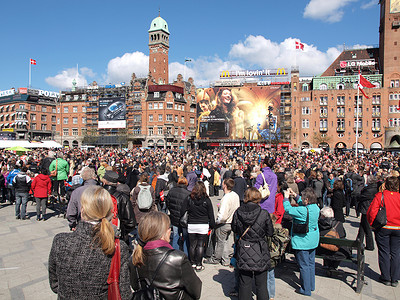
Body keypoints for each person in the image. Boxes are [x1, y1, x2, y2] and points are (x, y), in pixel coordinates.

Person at [48, 186, 132, 299]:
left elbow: (55, 284)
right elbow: (125, 293)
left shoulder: (61, 241)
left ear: (82, 210)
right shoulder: (117, 246)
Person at [130, 211, 202, 300]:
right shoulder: (178, 258)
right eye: (168, 228)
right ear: (161, 233)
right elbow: (196, 290)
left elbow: (135, 285)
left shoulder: (135, 257)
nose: (170, 230)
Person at [231, 187, 274, 300]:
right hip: (260, 249)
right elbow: (270, 232)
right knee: (261, 284)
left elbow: (234, 228)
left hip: (244, 247)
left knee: (244, 283)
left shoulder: (238, 212)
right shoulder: (264, 213)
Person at [283, 187, 320, 296]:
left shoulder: (302, 211)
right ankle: (311, 285)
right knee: (310, 264)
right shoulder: (315, 208)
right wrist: (296, 195)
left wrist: (286, 199)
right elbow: (304, 205)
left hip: (303, 241)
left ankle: (305, 289)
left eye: (304, 198)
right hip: (312, 240)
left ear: (307, 199)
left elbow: (288, 210)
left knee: (303, 265)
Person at [367, 176, 400, 287]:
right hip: (398, 228)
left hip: (384, 227)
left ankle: (386, 276)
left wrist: (372, 224)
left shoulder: (381, 196)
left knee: (384, 252)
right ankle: (395, 278)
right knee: (396, 253)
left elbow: (372, 212)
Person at [181, 181, 215, 272]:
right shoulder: (207, 200)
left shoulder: (189, 198)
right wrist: (212, 224)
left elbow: (182, 211)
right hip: (203, 225)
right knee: (200, 245)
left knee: (192, 245)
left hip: (192, 224)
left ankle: (192, 263)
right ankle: (199, 264)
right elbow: (211, 214)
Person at [205, 178, 240, 266]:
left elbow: (223, 215)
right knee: (227, 241)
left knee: (220, 242)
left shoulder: (226, 198)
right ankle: (226, 259)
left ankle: (216, 258)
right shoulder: (235, 195)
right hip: (232, 221)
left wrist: (217, 221)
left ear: (224, 185)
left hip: (224, 223)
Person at [102, 170, 136, 245]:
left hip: (101, 235)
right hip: (119, 236)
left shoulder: (97, 196)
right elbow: (131, 222)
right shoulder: (123, 197)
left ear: (104, 182)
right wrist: (123, 231)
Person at [165, 176, 191, 253]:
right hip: (184, 218)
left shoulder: (172, 191)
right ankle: (186, 254)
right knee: (185, 237)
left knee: (175, 235)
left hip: (174, 217)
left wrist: (172, 211)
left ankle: (174, 253)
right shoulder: (188, 194)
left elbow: (168, 203)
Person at [356, 175, 378, 251]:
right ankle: (358, 241)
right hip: (366, 208)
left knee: (367, 227)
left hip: (367, 209)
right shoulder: (373, 187)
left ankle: (370, 245)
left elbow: (361, 196)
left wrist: (359, 194)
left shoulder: (370, 189)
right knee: (362, 227)